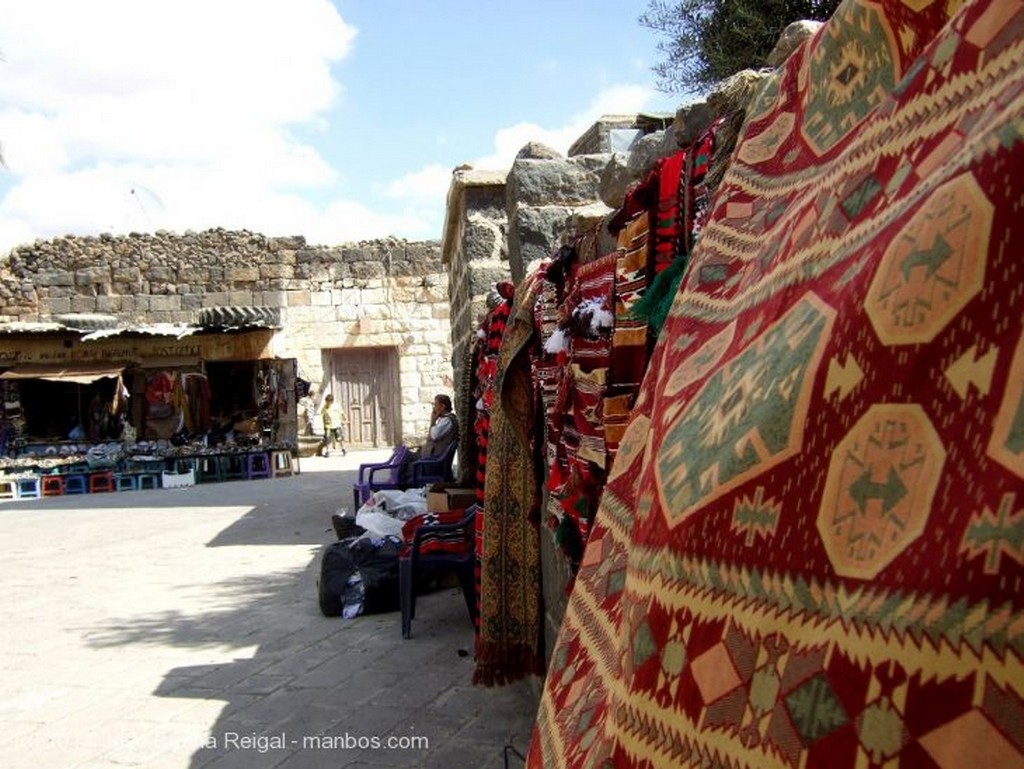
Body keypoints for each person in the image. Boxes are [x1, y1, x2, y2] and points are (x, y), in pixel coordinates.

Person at [399, 394, 458, 483]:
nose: (433, 408)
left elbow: (434, 435)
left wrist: (433, 421)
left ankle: (400, 482)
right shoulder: (444, 420)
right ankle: (399, 480)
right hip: (432, 457)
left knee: (407, 458)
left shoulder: (447, 421)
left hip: (435, 461)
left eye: (435, 405)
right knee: (405, 454)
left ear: (442, 406)